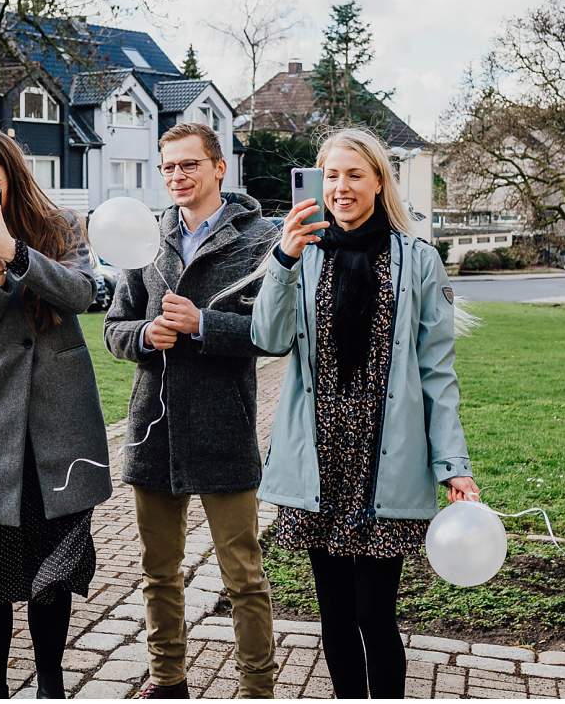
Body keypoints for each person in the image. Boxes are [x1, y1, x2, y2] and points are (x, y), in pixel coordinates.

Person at [251, 127, 480, 699]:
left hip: (385, 457)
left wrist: (452, 462)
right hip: (320, 458)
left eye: (354, 174)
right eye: (331, 175)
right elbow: (268, 337)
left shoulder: (418, 261)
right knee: (333, 617)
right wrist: (282, 258)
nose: (341, 187)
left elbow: (437, 372)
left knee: (375, 615)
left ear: (380, 180)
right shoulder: (300, 255)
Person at [0, 128, 112, 699]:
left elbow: (85, 293)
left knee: (50, 573)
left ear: (14, 181)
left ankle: (51, 686)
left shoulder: (60, 228)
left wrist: (18, 255)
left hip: (58, 424)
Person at [104, 122, 279, 699]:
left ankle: (257, 690)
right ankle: (167, 681)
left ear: (219, 167)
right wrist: (146, 335)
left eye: (189, 165)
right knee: (158, 572)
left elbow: (273, 333)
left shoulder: (259, 239)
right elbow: (114, 329)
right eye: (169, 167)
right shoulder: (143, 238)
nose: (177, 176)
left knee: (244, 577)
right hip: (153, 428)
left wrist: (203, 324)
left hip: (224, 426)